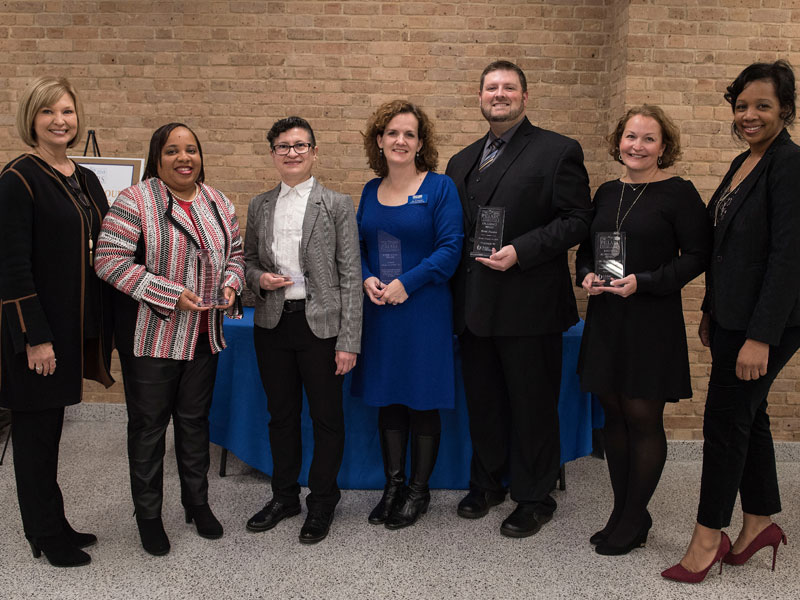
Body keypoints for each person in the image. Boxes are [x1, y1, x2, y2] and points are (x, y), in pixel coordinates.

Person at [663, 60, 800, 583]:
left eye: (762, 105)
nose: (749, 115)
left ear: (784, 109)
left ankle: (707, 537)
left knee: (724, 421)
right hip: (731, 316)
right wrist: (710, 311)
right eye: (742, 106)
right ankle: (760, 520)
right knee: (750, 415)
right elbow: (728, 249)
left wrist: (759, 336)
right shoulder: (746, 162)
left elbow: (788, 257)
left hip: (766, 323)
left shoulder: (788, 165)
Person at [445, 60, 593, 537]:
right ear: (480, 96)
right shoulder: (461, 161)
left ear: (525, 97)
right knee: (484, 402)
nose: (500, 94)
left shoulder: (557, 151)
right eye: (491, 87)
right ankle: (487, 483)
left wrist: (522, 250)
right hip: (473, 307)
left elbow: (577, 219)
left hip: (529, 305)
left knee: (532, 406)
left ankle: (534, 496)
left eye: (509, 87)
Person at [95, 122, 245, 556]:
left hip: (204, 335)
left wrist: (232, 284)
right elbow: (108, 260)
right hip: (153, 338)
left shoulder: (217, 200)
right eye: (173, 151)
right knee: (148, 430)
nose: (184, 158)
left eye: (191, 150)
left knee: (195, 424)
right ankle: (148, 517)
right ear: (157, 158)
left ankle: (196, 504)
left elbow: (236, 252)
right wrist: (169, 293)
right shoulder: (135, 201)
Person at [575, 106, 711, 556]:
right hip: (608, 318)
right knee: (613, 415)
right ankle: (624, 511)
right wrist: (588, 275)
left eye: (648, 139)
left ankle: (634, 518)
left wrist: (647, 282)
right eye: (630, 137)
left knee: (642, 417)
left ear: (664, 148)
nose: (637, 146)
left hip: (651, 319)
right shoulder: (607, 191)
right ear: (619, 142)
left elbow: (696, 255)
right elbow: (587, 249)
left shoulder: (679, 193)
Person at [0, 76, 114, 567]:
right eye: (48, 112)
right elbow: (11, 266)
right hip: (38, 333)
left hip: (73, 328)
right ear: (32, 119)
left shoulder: (84, 178)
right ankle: (44, 534)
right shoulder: (18, 178)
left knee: (52, 430)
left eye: (66, 111)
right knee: (35, 436)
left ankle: (56, 521)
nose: (59, 121)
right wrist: (35, 338)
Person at [243, 116, 361, 545]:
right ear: (272, 153)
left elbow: (350, 276)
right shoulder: (259, 205)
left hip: (321, 327)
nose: (291, 153)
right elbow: (248, 262)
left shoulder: (336, 204)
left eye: (300, 145)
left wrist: (349, 341)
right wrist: (259, 280)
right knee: (281, 416)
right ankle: (284, 496)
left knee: (326, 417)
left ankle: (323, 501)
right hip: (273, 324)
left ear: (314, 151)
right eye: (283, 146)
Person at [353, 100, 463, 529]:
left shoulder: (439, 188)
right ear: (379, 141)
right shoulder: (368, 190)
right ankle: (393, 486)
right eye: (392, 133)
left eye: (409, 134)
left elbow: (451, 248)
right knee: (388, 397)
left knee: (422, 399)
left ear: (421, 143)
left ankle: (419, 491)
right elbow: (357, 247)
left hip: (424, 310)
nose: (401, 141)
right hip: (380, 310)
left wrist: (406, 283)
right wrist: (366, 278)